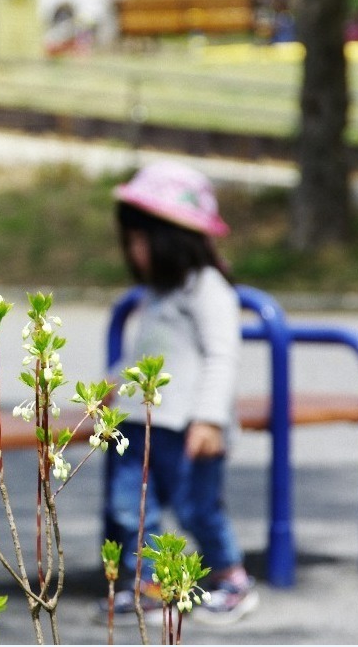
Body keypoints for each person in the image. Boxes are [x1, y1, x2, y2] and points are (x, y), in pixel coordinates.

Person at [99, 161, 258, 626]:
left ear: (177, 239)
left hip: (188, 426)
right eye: (131, 242)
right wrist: (112, 384)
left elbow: (220, 356)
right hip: (139, 424)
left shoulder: (208, 290)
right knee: (132, 507)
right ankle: (148, 584)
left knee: (197, 508)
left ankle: (232, 579)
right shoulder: (157, 294)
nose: (136, 252)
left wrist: (209, 418)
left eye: (143, 241)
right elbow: (149, 352)